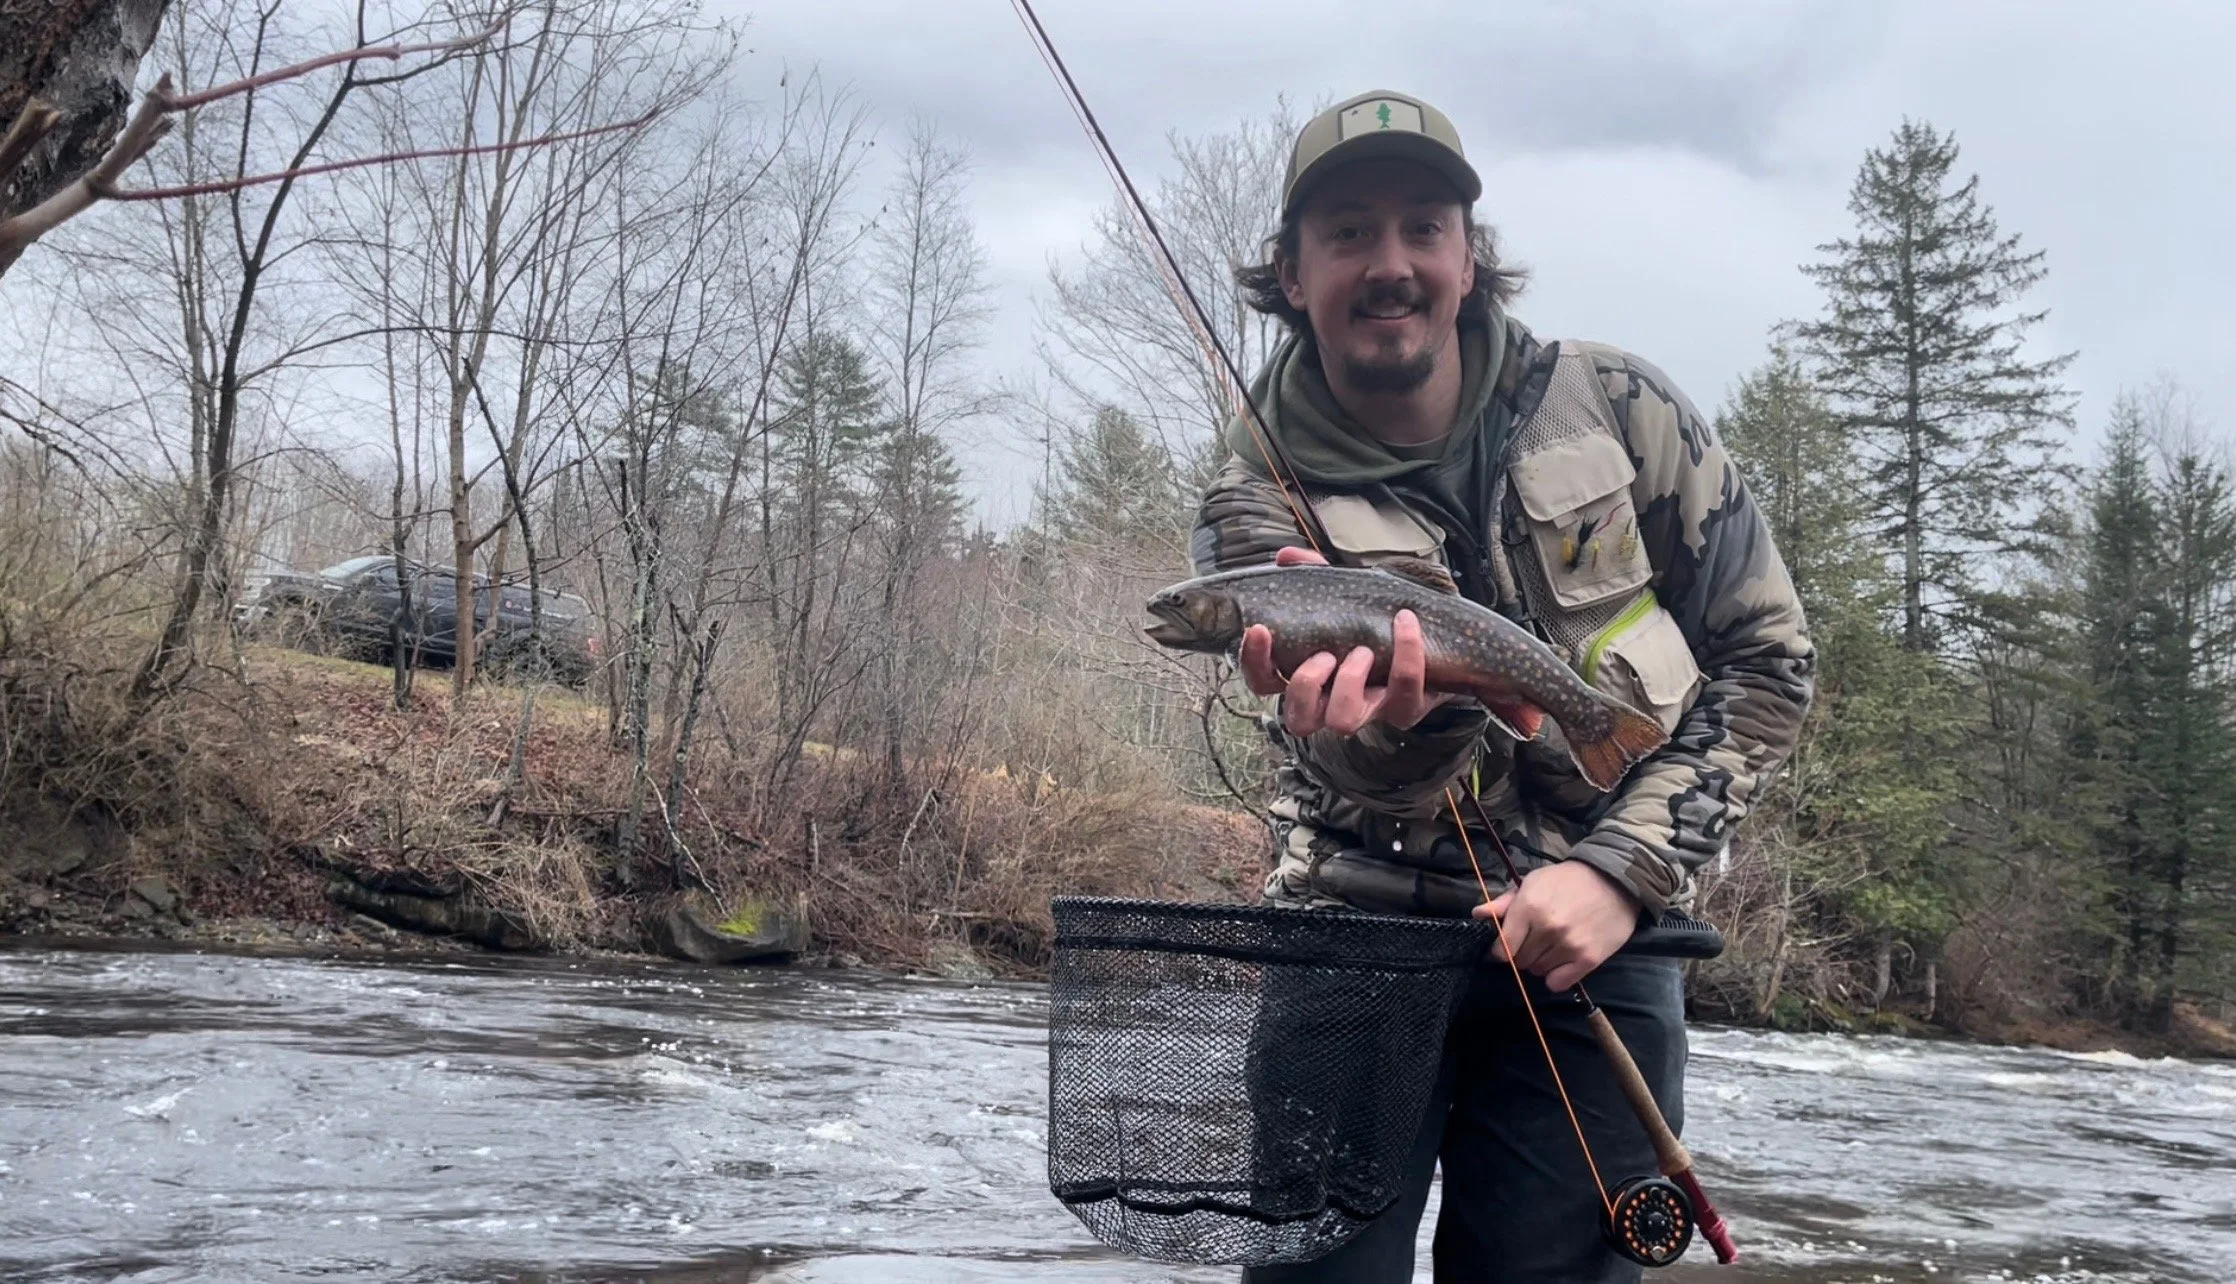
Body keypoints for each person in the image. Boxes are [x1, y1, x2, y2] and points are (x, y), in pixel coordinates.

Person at [1195, 90, 1816, 1282]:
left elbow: (1768, 661)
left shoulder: (1623, 412)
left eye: (1423, 228)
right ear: (1288, 268)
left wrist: (1619, 873)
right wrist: (1398, 732)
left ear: (1469, 258)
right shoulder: (1251, 503)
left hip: (1597, 951)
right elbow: (1334, 763)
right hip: (1351, 931)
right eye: (1347, 233)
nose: (1391, 265)